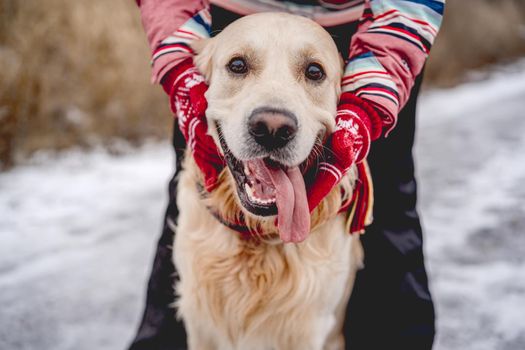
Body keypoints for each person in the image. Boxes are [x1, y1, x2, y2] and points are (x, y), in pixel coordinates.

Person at [129, 1, 445, 349]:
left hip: (369, 28)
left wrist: (369, 104)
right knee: (193, 195)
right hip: (221, 10)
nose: (274, 120)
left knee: (384, 210)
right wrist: (178, 62)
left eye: (313, 73)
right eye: (238, 66)